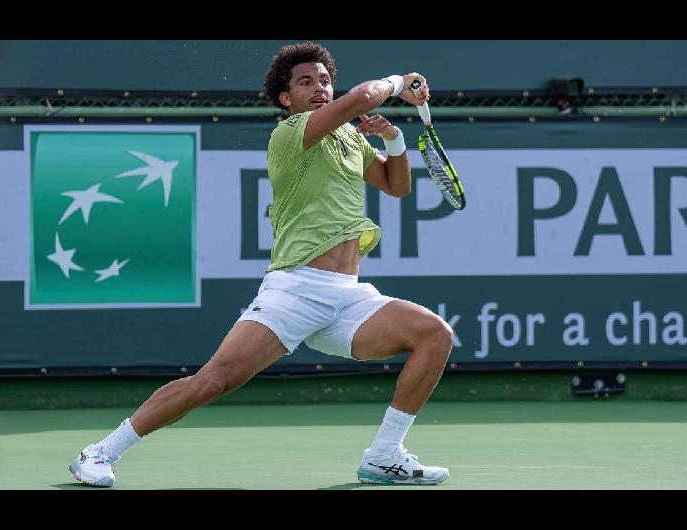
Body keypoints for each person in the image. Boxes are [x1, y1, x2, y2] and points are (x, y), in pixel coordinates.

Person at [69, 42, 454, 487]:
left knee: (434, 335)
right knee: (214, 381)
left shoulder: (349, 138)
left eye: (325, 81)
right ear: (286, 99)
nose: (318, 88)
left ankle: (385, 455)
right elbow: (364, 97)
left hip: (348, 296)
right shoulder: (293, 133)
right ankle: (99, 452)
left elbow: (396, 185)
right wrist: (397, 81)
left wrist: (394, 139)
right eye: (305, 82)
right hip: (294, 291)